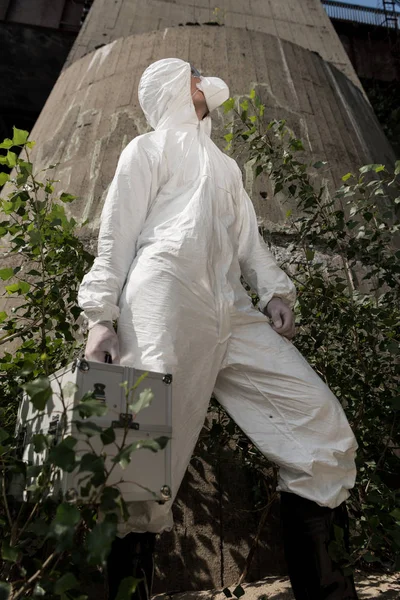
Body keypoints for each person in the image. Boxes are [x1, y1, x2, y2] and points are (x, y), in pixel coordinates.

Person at [78, 58, 359, 600]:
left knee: (318, 422)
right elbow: (116, 234)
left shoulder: (225, 165)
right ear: (169, 89)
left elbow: (248, 240)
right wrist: (101, 317)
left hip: (229, 306)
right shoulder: (147, 150)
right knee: (138, 451)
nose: (203, 77)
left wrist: (275, 290)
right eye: (191, 72)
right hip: (162, 294)